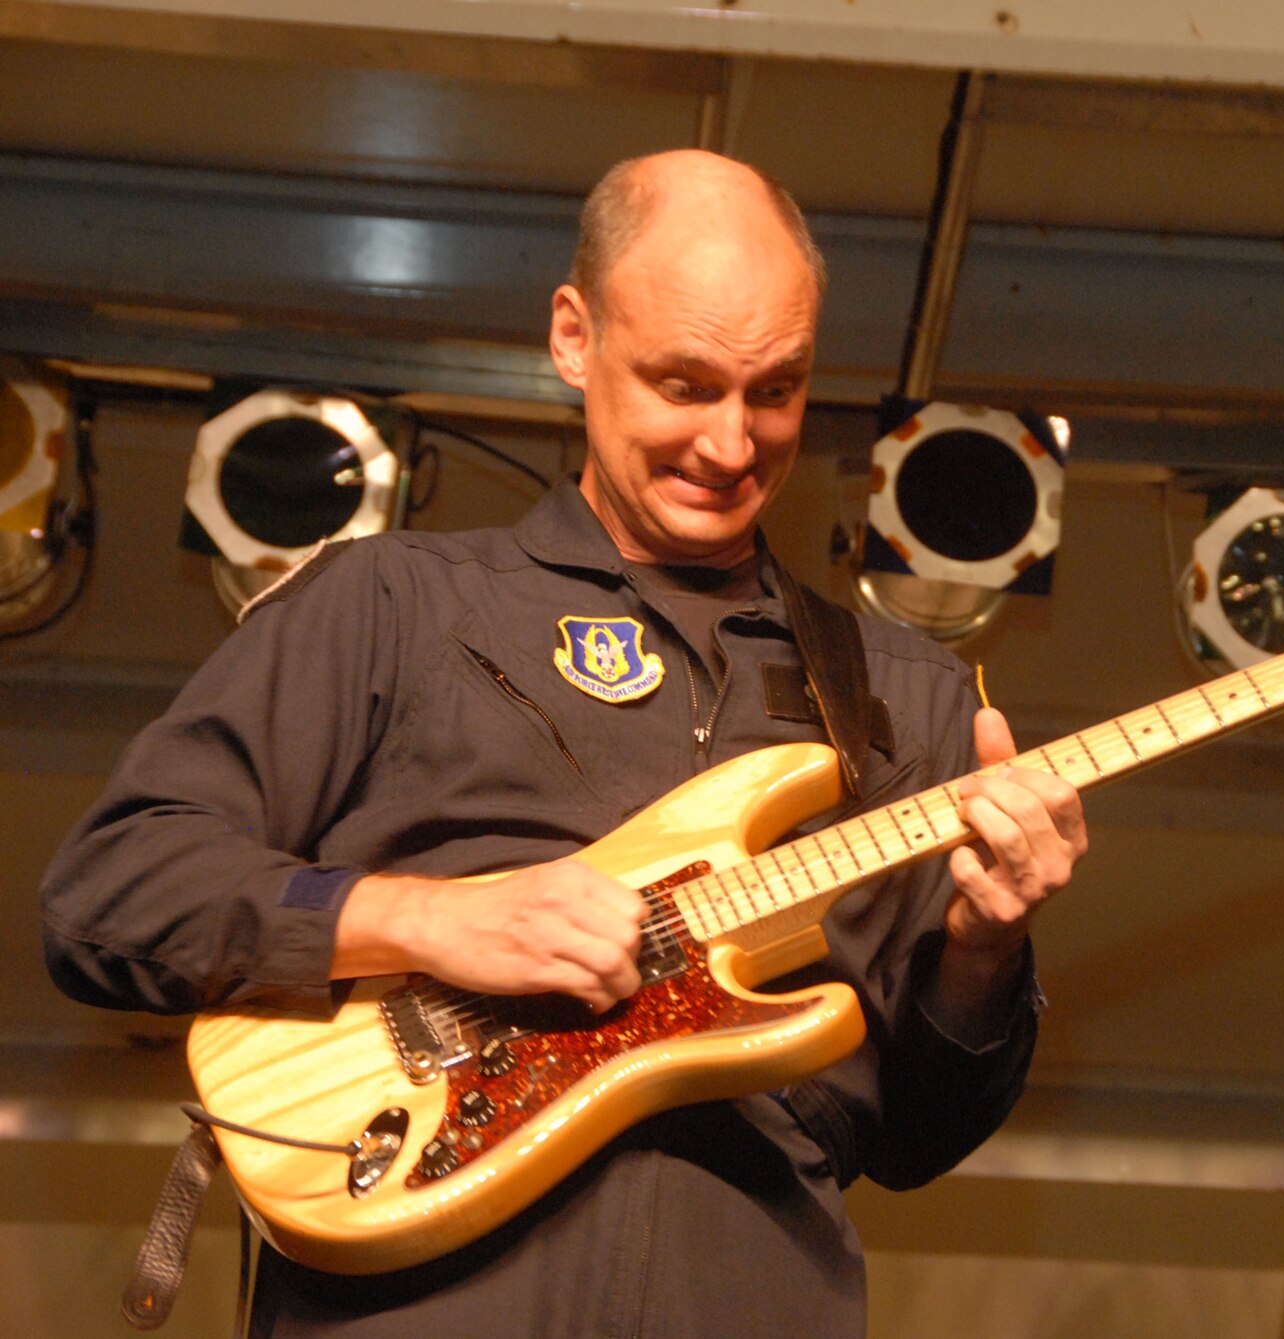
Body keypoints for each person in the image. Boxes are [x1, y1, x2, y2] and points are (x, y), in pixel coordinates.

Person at [40, 150, 1086, 1336]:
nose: (734, 445)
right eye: (684, 386)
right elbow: (107, 896)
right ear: (574, 338)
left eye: (776, 391)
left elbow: (914, 1136)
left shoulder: (907, 695)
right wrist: (430, 917)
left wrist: (986, 947)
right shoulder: (393, 604)